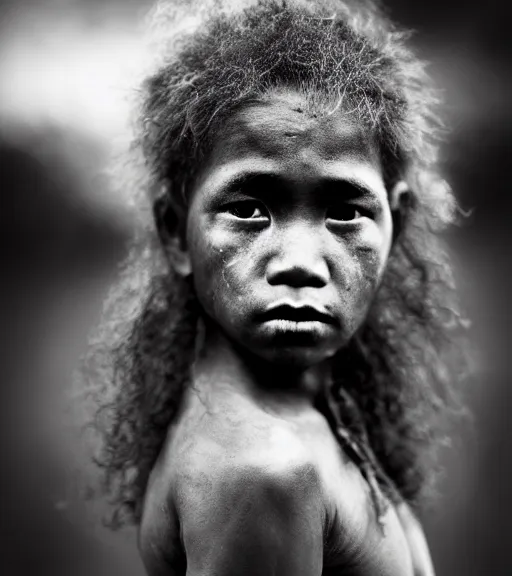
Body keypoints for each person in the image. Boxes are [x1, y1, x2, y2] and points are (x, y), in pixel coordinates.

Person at [91, 1, 468, 574]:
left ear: (397, 222)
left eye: (345, 211)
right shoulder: (261, 470)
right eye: (248, 209)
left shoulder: (307, 411)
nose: (298, 263)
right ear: (175, 231)